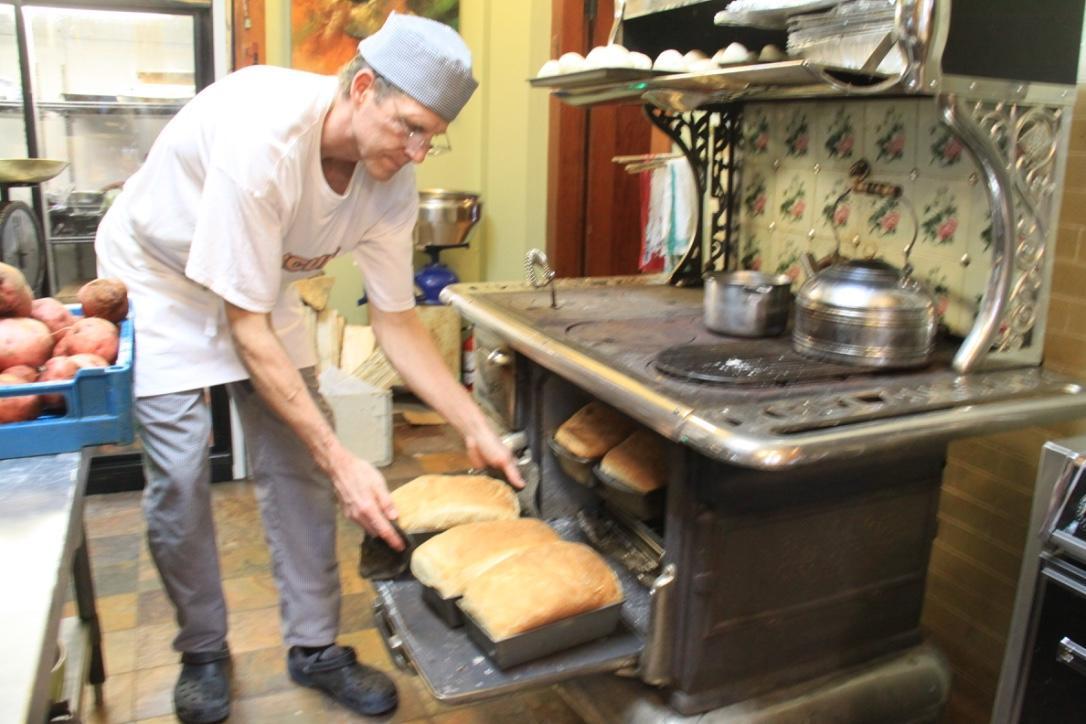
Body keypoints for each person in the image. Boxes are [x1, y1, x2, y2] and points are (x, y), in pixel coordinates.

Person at [94, 13, 523, 724]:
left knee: (298, 463)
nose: (419, 152)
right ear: (360, 88)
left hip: (258, 287)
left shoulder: (389, 182)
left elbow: (398, 321)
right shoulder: (261, 137)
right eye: (409, 128)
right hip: (162, 280)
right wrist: (344, 458)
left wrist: (471, 419)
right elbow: (244, 329)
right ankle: (203, 649)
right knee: (177, 473)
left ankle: (316, 647)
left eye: (431, 136)